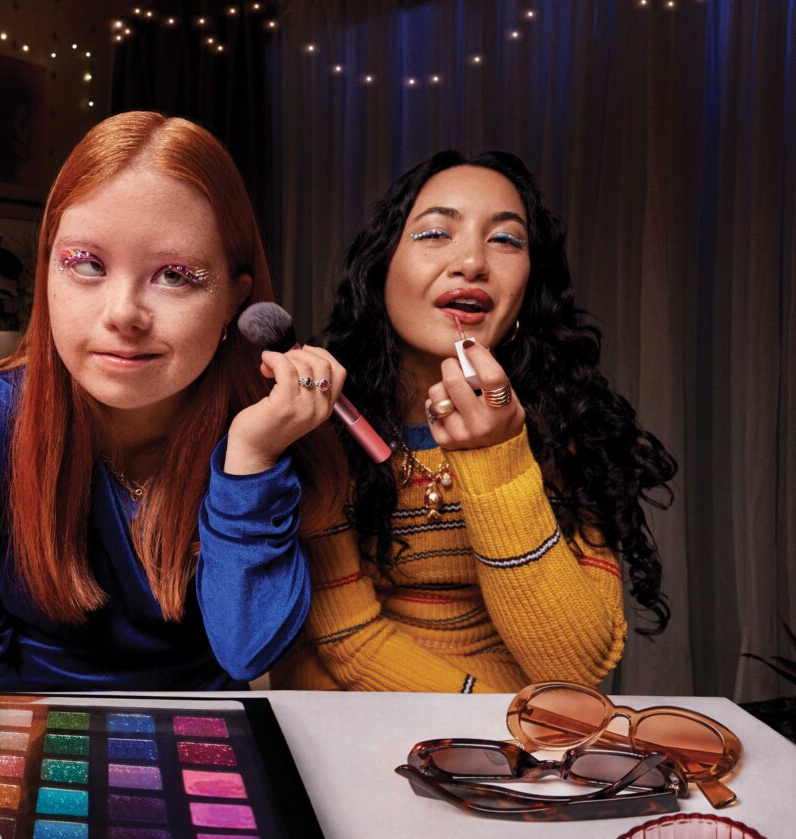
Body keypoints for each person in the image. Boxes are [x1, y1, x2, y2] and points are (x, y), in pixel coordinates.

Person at [0, 111, 347, 691]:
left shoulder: (270, 424)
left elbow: (250, 651)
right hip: (31, 739)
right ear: (47, 275)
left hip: (203, 742)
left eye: (176, 275)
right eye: (86, 265)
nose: (122, 315)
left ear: (234, 303)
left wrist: (251, 461)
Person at [273, 150, 677, 693]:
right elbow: (347, 643)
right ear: (380, 266)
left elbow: (575, 667)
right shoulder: (323, 430)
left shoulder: (571, 432)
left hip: (517, 752)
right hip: (356, 734)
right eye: (435, 233)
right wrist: (493, 719)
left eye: (506, 240)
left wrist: (498, 456)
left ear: (530, 284)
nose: (472, 262)